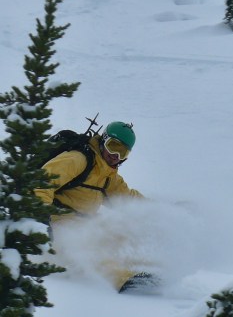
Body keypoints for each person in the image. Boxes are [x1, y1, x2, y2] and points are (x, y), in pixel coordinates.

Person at [35, 121, 153, 293]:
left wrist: (161, 210)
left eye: (122, 152)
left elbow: (127, 198)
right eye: (113, 147)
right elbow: (42, 182)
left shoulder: (107, 174)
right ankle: (126, 281)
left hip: (84, 224)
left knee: (121, 235)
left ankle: (149, 269)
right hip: (57, 225)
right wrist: (41, 222)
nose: (115, 155)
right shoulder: (78, 159)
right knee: (91, 250)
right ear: (103, 140)